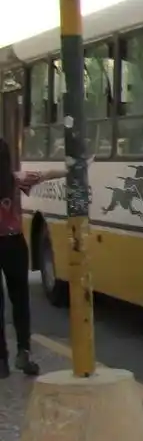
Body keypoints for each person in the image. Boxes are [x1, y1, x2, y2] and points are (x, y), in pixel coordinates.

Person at [0, 138, 65, 378]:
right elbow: (47, 174)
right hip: (14, 244)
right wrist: (77, 167)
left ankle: (1, 362)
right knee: (20, 300)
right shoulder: (15, 180)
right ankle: (24, 352)